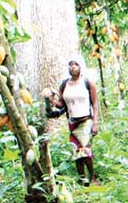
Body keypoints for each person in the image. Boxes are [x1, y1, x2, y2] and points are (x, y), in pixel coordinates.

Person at [42, 58, 101, 186]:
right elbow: (61, 104)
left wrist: (95, 122)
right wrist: (51, 99)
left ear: (81, 67)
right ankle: (82, 179)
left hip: (86, 121)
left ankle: (92, 178)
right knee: (76, 152)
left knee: (85, 151)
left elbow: (95, 104)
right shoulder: (64, 84)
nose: (73, 67)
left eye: (76, 64)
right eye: (70, 65)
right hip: (72, 122)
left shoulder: (88, 82)